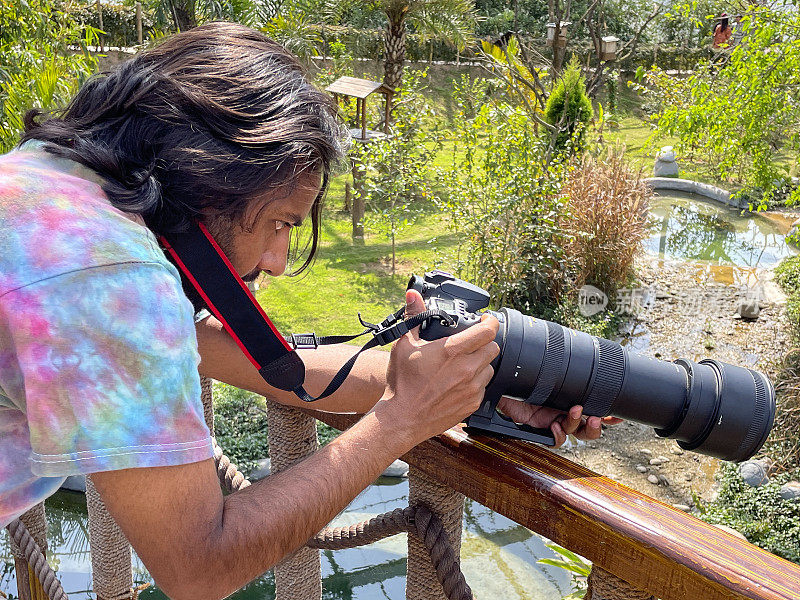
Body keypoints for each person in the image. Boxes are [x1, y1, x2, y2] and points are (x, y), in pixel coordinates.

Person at [0, 23, 612, 600]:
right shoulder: (114, 281)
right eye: (280, 222)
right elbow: (197, 564)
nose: (276, 260)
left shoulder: (53, 191)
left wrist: (477, 388)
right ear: (206, 177)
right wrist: (399, 424)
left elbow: (273, 364)